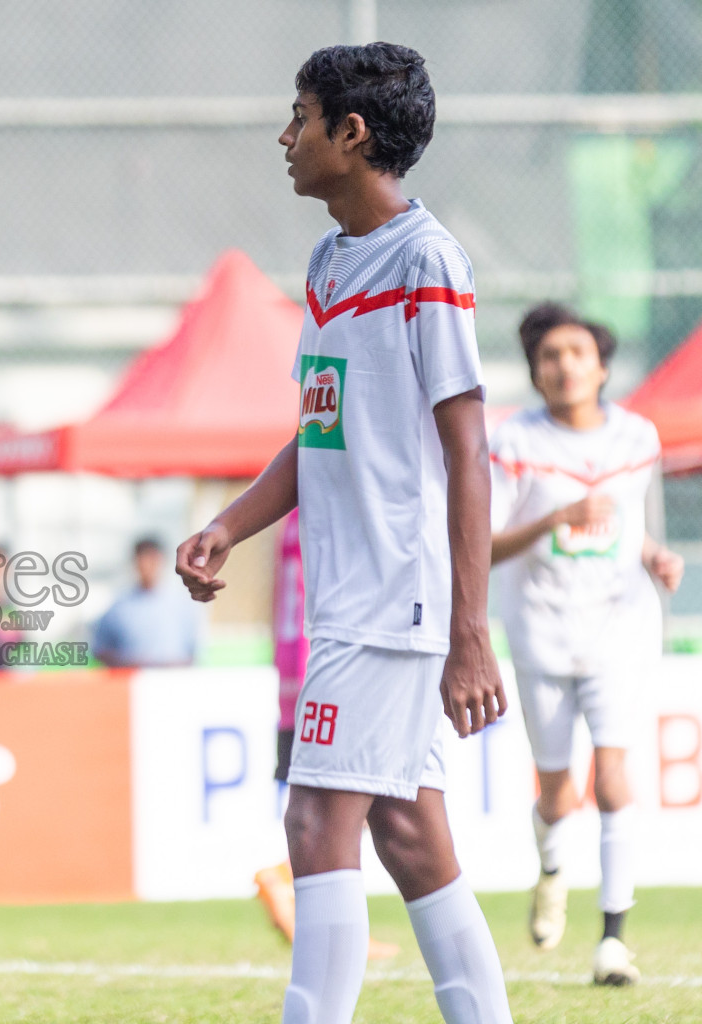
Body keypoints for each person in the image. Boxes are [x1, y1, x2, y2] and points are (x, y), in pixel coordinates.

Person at [177, 44, 515, 1024]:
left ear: (351, 133)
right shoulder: (331, 261)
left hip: (390, 600)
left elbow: (469, 453)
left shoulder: (427, 260)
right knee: (409, 835)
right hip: (354, 598)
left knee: (317, 817)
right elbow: (319, 430)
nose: (286, 137)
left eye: (301, 116)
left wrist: (469, 630)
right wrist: (228, 527)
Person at [489, 302, 685, 984]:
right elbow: (483, 545)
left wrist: (656, 558)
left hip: (621, 627)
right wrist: (556, 519)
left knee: (611, 777)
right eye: (549, 356)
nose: (564, 365)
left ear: (602, 366)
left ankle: (612, 941)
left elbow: (634, 527)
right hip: (542, 629)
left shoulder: (637, 437)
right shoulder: (513, 443)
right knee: (557, 795)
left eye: (577, 353)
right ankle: (550, 867)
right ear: (535, 373)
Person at [254, 510, 397, 962]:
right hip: (327, 673)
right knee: (356, 807)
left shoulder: (294, 510)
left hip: (298, 675)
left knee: (345, 810)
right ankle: (287, 882)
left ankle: (336, 928)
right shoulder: (328, 504)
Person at [93, 537, 203, 667]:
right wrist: (129, 666)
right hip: (133, 682)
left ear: (161, 561)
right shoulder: (120, 607)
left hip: (173, 681)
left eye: (152, 560)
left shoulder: (182, 604)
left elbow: (193, 653)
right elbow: (101, 650)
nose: (147, 566)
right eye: (142, 560)